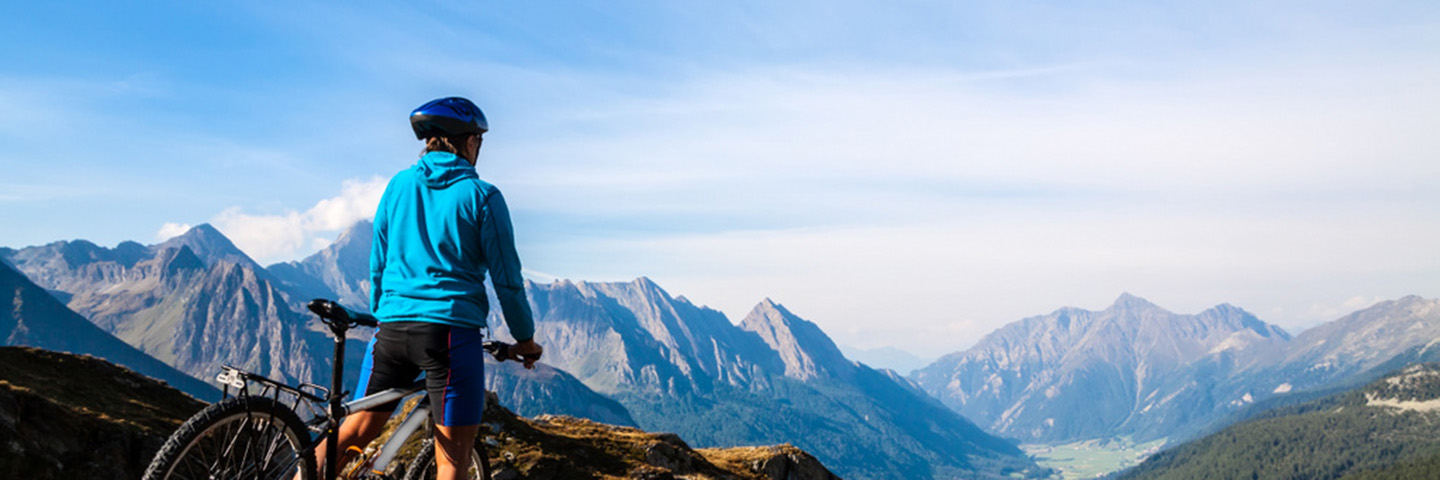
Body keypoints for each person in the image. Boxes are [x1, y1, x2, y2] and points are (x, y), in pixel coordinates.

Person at [318, 96, 543, 480]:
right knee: (452, 462)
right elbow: (508, 282)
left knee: (351, 433)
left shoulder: (398, 186)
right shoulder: (483, 197)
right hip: (449, 337)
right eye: (480, 141)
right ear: (469, 141)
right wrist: (524, 341)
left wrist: (384, 313)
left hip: (390, 329)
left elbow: (379, 264)